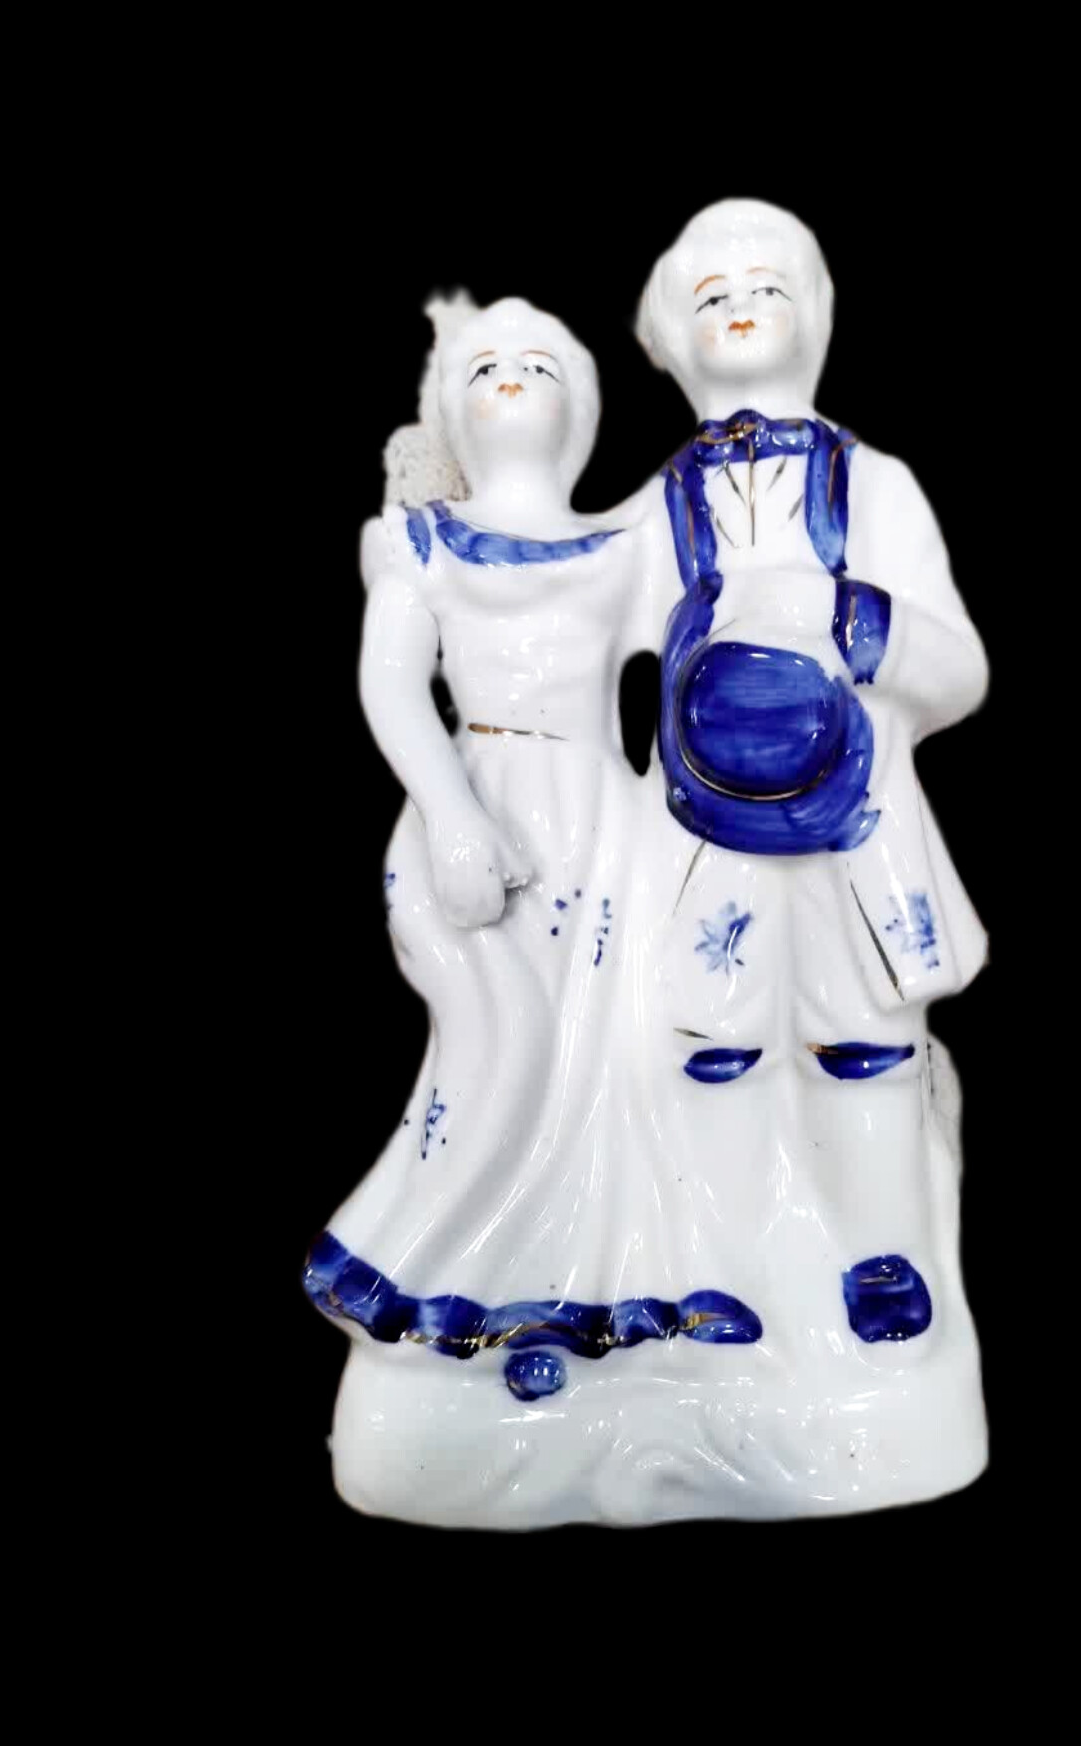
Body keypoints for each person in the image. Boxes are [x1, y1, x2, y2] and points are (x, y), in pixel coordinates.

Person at [304, 294, 762, 1524]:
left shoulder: (625, 543)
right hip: (479, 813)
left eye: (539, 363)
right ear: (452, 410)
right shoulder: (425, 544)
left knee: (616, 1064)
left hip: (601, 828)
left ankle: (597, 1303)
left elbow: (704, 639)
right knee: (498, 1057)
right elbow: (391, 690)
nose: (511, 377)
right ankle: (429, 1282)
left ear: (583, 404)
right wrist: (455, 818)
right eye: (486, 366)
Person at [629, 198, 991, 1502]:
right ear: (674, 332)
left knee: (864, 1037)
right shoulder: (659, 505)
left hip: (855, 824)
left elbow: (959, 670)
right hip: (704, 828)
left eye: (766, 285)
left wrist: (851, 618)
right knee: (706, 1045)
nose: (739, 306)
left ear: (816, 314)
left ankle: (880, 1256)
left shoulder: (874, 486)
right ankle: (725, 1271)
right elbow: (577, 627)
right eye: (713, 290)